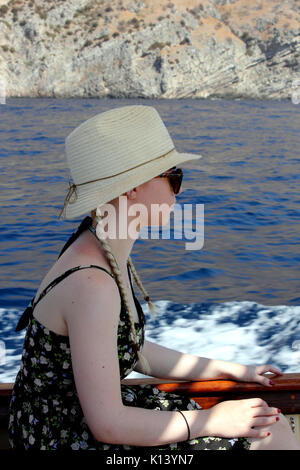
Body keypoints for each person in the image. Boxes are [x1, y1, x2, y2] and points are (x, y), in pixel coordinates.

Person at [8, 105, 300, 451]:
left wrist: (233, 369)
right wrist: (214, 420)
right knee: (269, 434)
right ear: (130, 188)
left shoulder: (97, 243)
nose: (178, 191)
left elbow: (128, 348)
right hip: (64, 434)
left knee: (269, 424)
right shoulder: (93, 283)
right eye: (173, 176)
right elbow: (109, 425)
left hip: (61, 416)